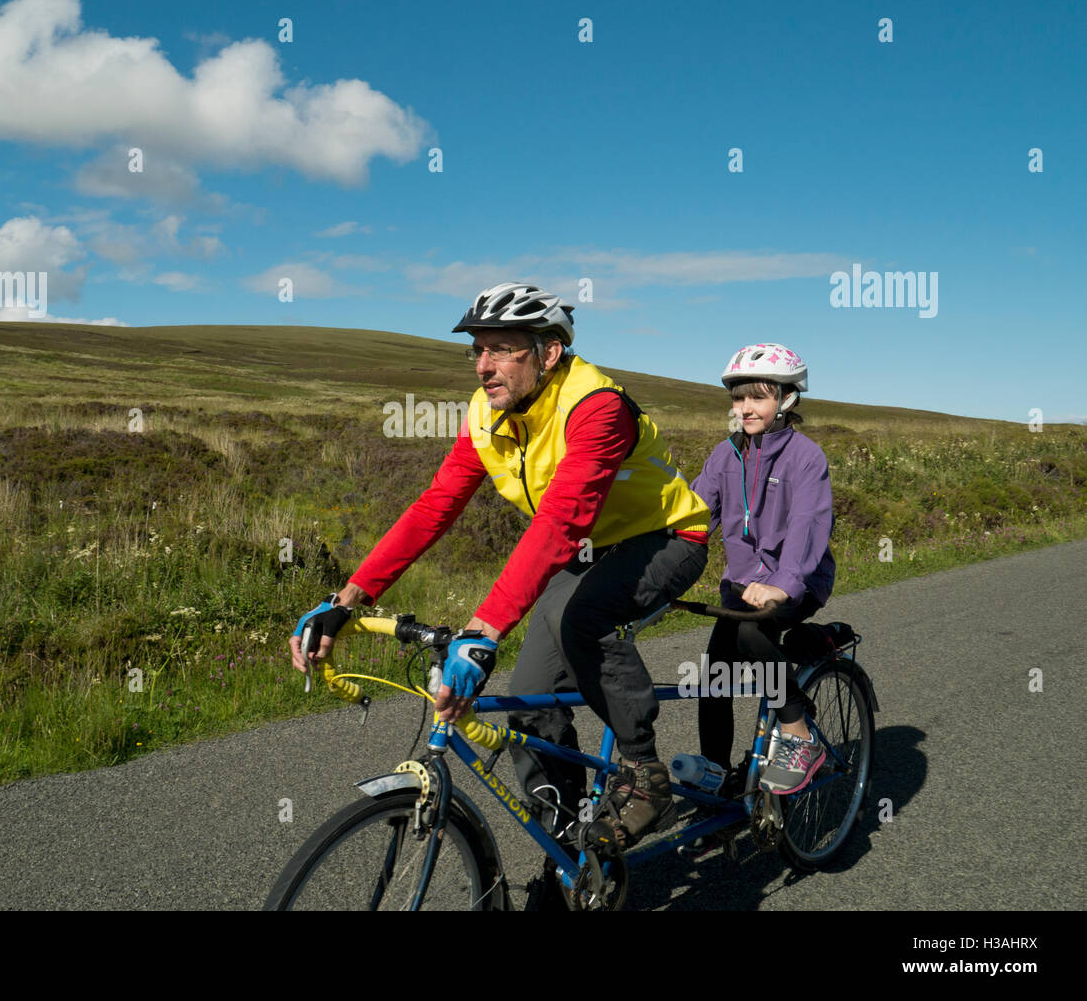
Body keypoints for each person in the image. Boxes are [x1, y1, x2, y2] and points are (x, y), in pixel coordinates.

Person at [289, 282, 710, 851]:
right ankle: (571, 855)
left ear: (548, 352)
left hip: (663, 538)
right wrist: (346, 601)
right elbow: (436, 507)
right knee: (528, 703)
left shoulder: (596, 406)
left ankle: (643, 773)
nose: (483, 366)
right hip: (585, 550)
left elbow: (561, 522)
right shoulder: (486, 412)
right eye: (477, 350)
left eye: (501, 349)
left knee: (574, 616)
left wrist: (483, 634)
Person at [690, 343, 836, 795]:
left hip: (799, 581)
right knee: (714, 675)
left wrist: (782, 586)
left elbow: (807, 529)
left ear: (787, 399)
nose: (745, 407)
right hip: (740, 584)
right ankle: (717, 776)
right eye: (738, 397)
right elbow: (693, 515)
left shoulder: (806, 457)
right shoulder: (726, 455)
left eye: (758, 396)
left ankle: (799, 734)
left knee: (753, 636)